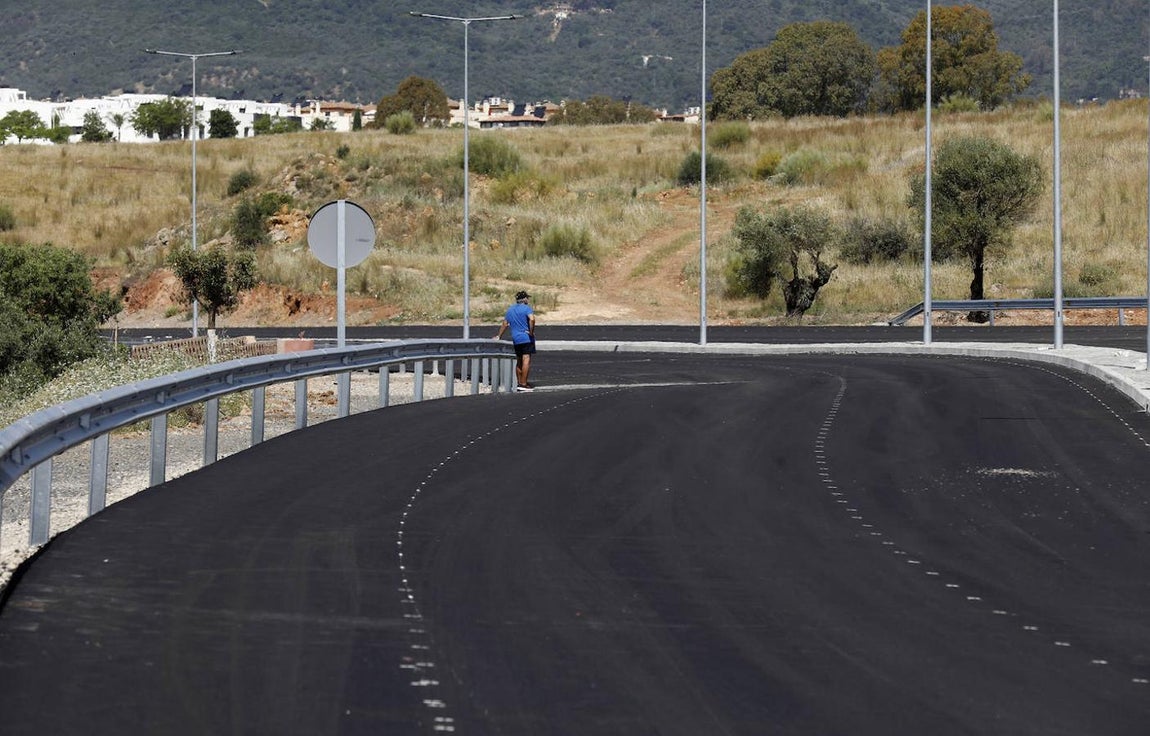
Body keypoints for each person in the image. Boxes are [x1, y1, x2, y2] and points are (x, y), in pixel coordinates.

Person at [495, 290, 536, 392]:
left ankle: (519, 382)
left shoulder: (510, 309)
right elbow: (532, 319)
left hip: (516, 338)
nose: (528, 300)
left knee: (519, 361)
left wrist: (499, 336)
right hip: (526, 337)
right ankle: (523, 384)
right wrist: (531, 332)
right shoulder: (526, 308)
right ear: (524, 299)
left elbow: (505, 323)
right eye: (527, 298)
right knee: (526, 359)